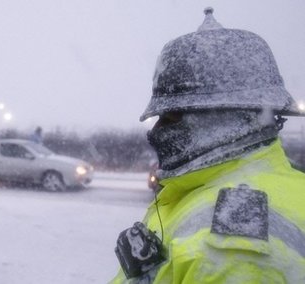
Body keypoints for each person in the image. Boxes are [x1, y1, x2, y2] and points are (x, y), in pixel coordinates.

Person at [112, 7, 305, 283]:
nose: (157, 130)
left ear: (220, 117)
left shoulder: (231, 250)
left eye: (170, 116)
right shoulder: (201, 192)